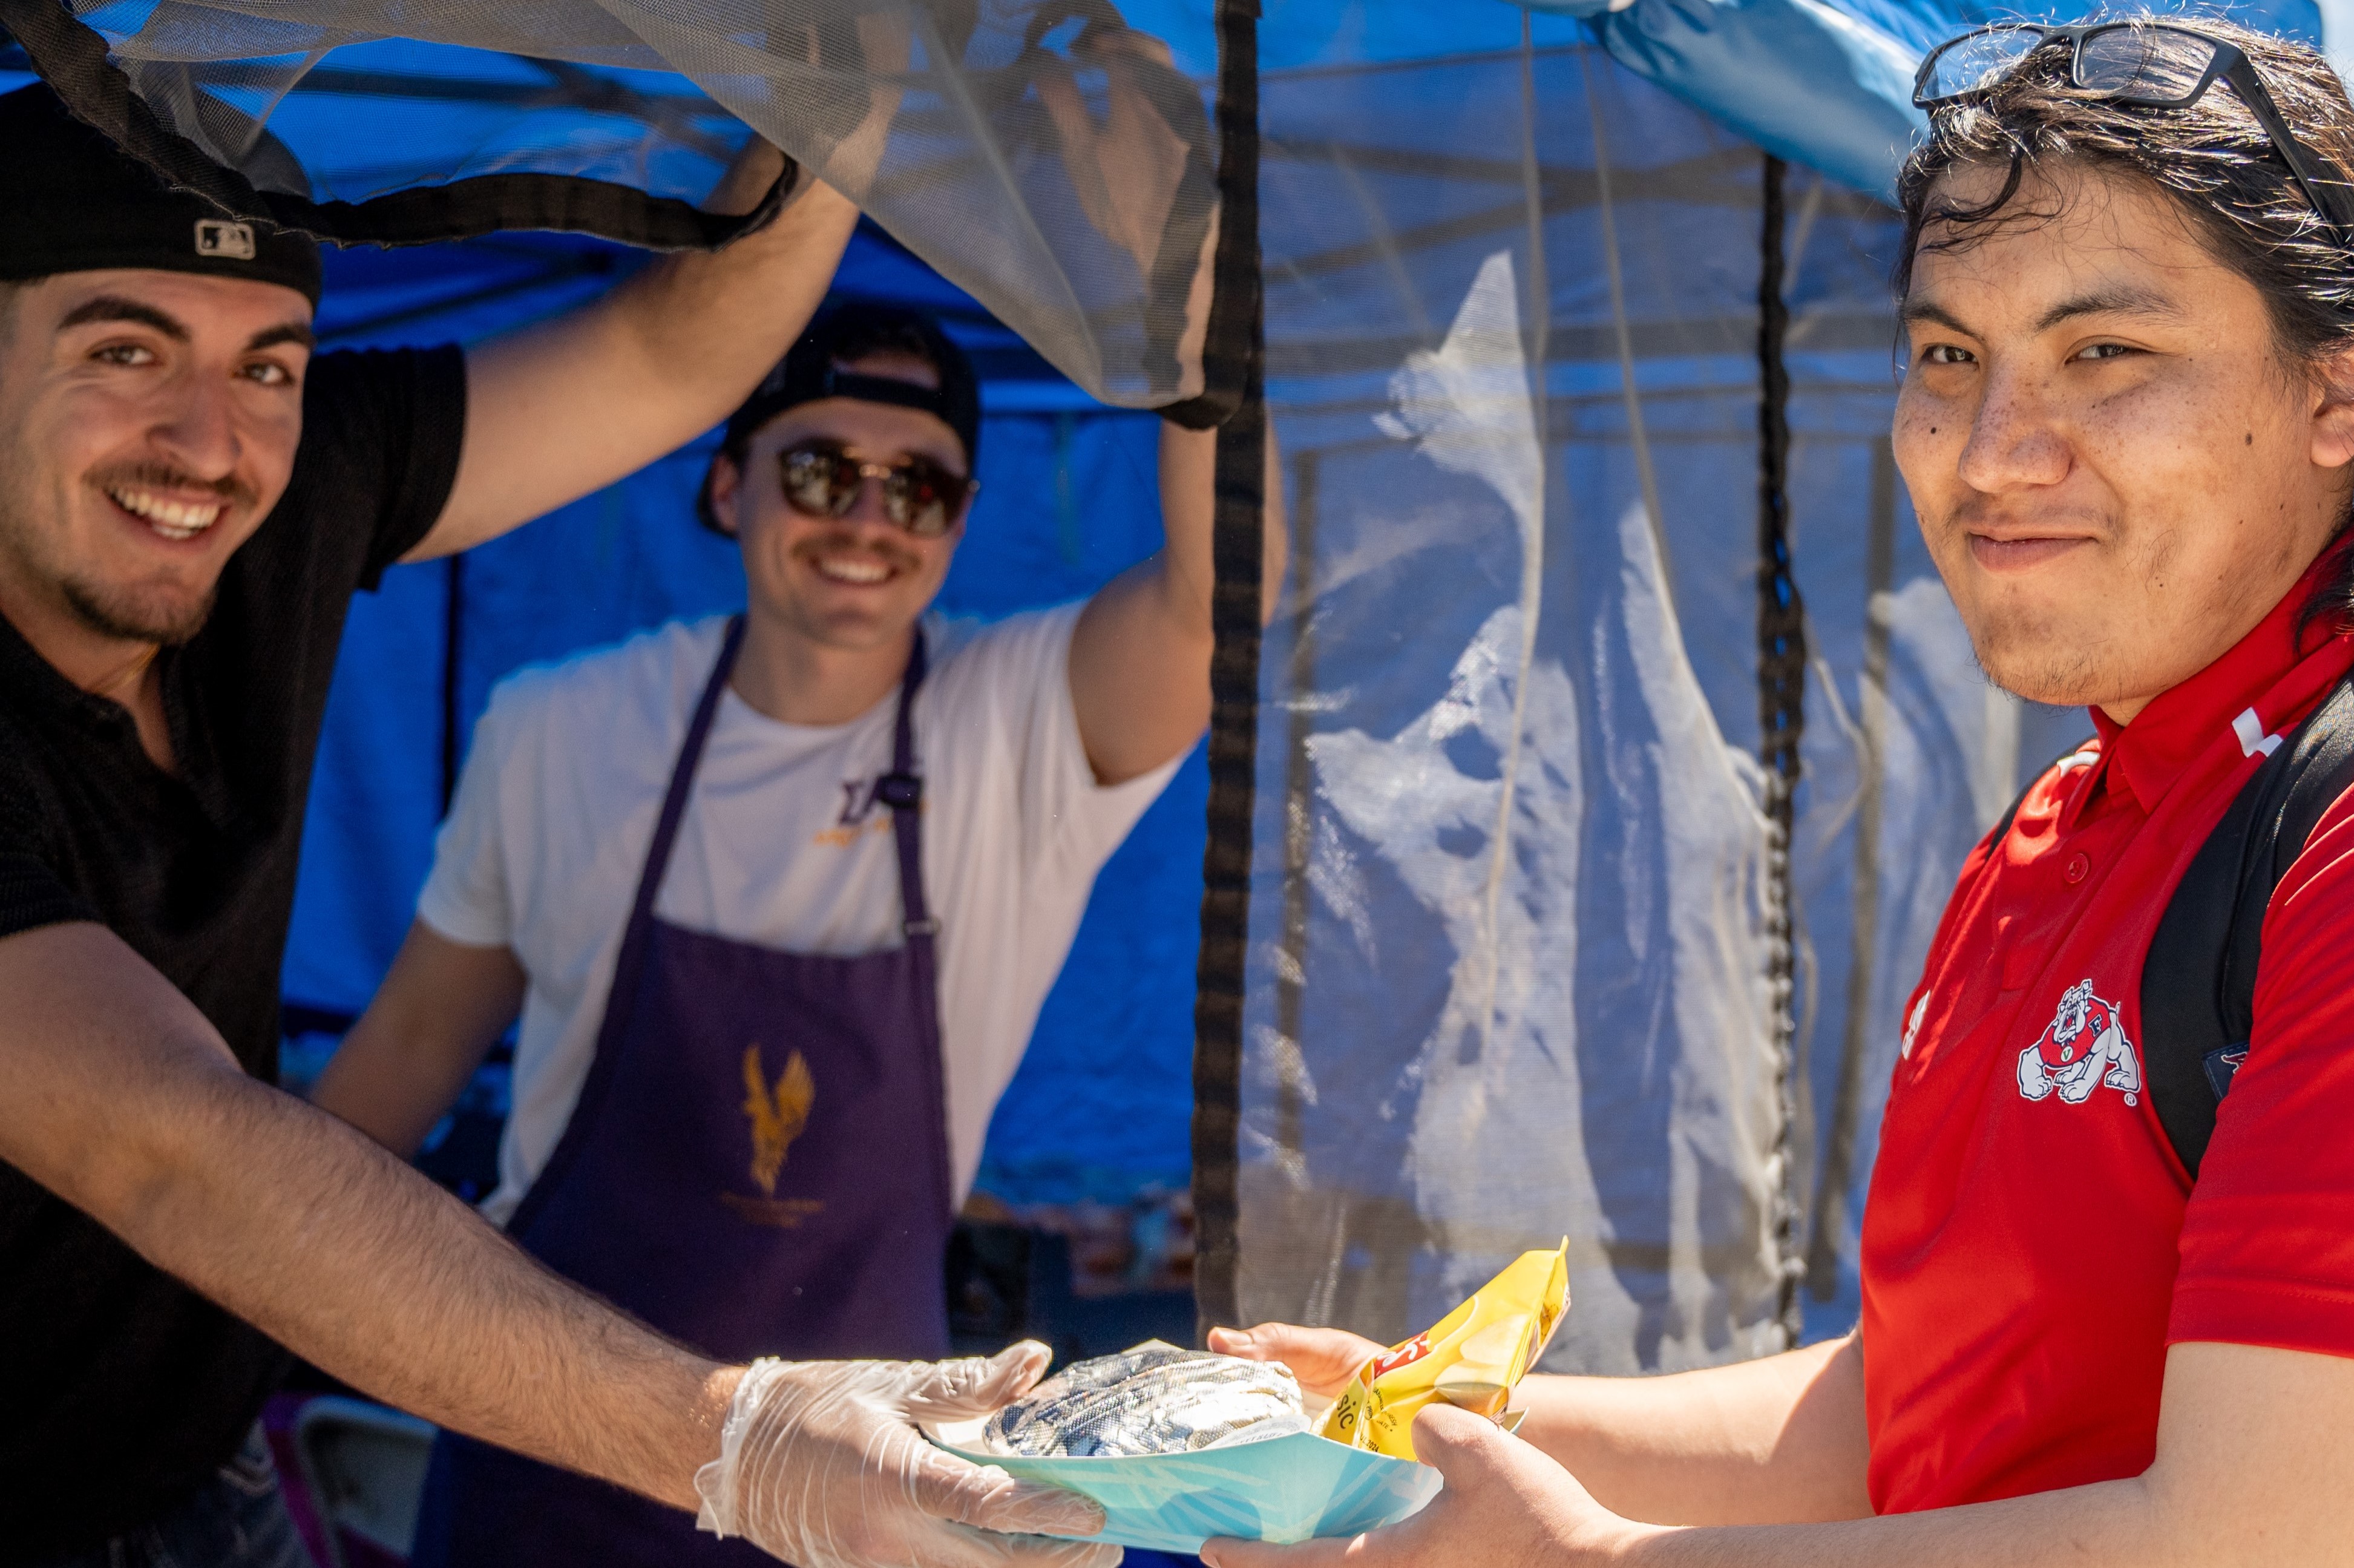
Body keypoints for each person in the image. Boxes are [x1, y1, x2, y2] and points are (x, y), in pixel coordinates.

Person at [1201, 17, 2354, 1568]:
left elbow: (2264, 1533)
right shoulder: (2055, 835)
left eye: (2105, 353)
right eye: (1949, 357)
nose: (1994, 452)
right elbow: (1921, 1414)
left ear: (2335, 400)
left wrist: (1587, 1563)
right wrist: (1430, 1428)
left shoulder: (2329, 839)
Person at [0, 82, 1118, 1568]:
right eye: (124, 350)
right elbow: (169, 1147)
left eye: (268, 364)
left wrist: (860, 73)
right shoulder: (566, 717)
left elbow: (672, 348)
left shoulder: (282, 494)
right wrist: (742, 1443)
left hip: (205, 1478)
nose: (209, 443)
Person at [309, 296, 1277, 1564]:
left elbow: (1208, 603)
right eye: (822, 471)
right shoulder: (559, 726)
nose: (868, 519)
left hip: (863, 1486)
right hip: (550, 1456)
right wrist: (214, 1319)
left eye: (917, 488)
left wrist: (1188, 316)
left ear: (961, 520)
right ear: (729, 485)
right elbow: (409, 1052)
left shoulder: (1023, 724)